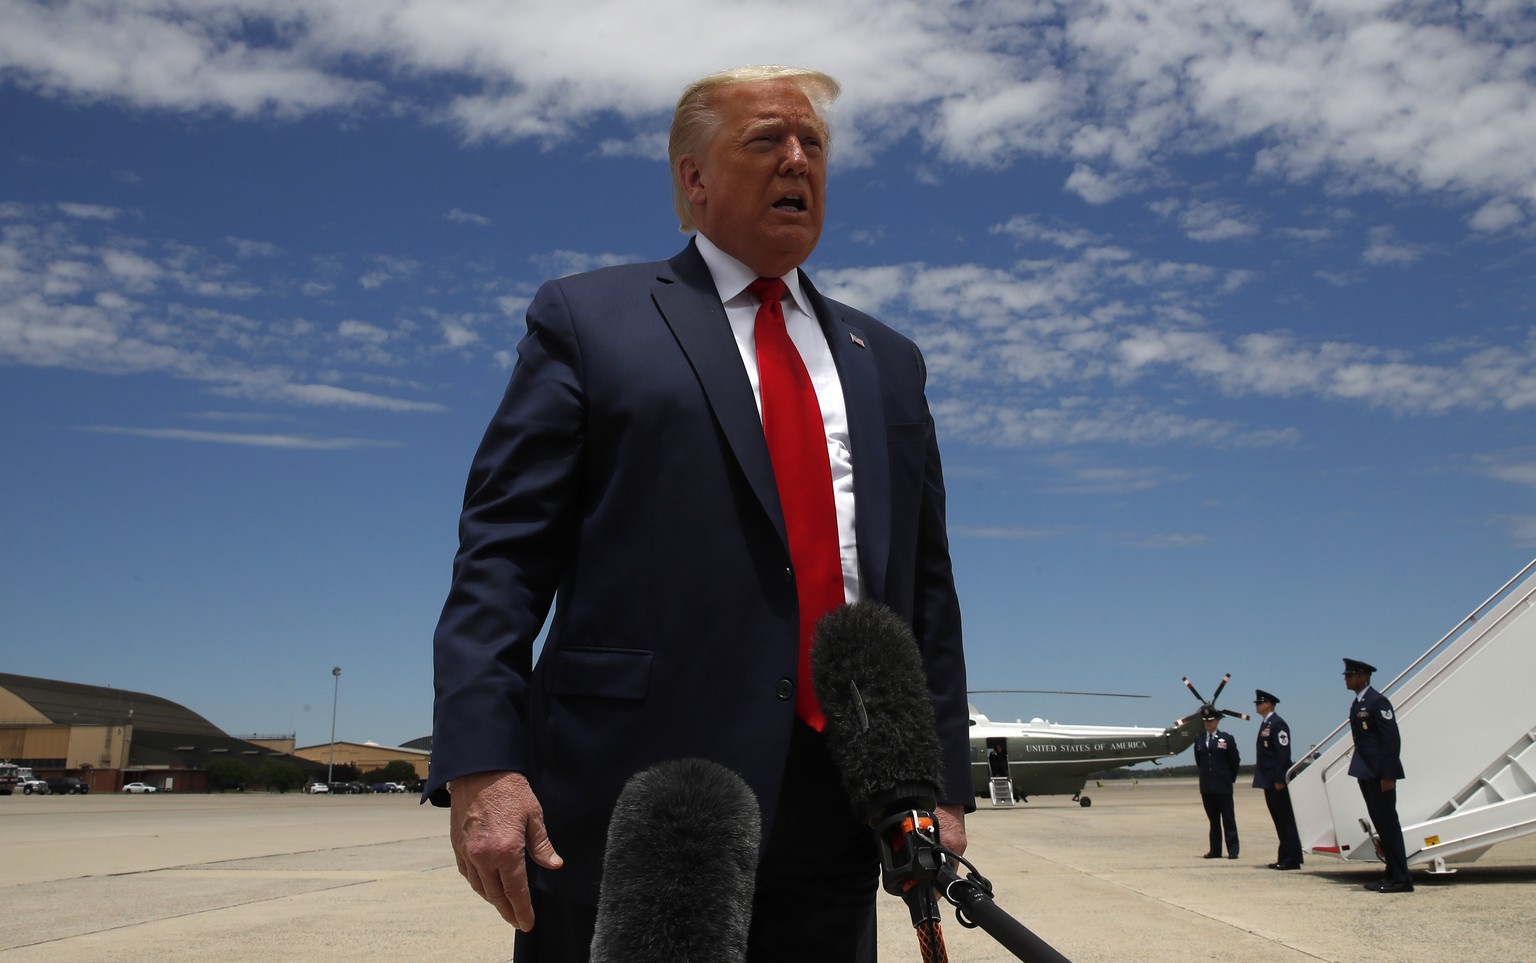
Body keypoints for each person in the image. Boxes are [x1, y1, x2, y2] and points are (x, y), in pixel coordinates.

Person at [426, 64, 972, 962]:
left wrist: (937, 783)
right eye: (766, 140)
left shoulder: (889, 361)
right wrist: (482, 763)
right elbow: (501, 557)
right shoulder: (592, 319)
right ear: (694, 178)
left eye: (814, 145)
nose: (798, 160)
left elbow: (926, 594)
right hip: (632, 803)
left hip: (835, 816)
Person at [1344, 658, 1412, 893]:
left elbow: (1391, 740)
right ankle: (1391, 875)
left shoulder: (1377, 702)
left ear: (1364, 677)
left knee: (1389, 826)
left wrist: (1388, 775)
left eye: (1350, 674)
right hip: (1366, 772)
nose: (1346, 678)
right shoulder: (1358, 704)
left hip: (1380, 774)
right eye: (1346, 675)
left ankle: (1402, 879)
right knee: (1381, 826)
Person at [1252, 688, 1303, 869]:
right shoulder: (1266, 724)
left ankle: (1290, 859)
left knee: (1285, 819)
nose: (1257, 706)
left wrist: (1281, 778)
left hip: (1277, 780)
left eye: (1259, 703)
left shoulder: (1277, 724)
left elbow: (1283, 753)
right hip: (1268, 779)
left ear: (1268, 704)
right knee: (1279, 820)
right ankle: (1287, 857)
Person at [1193, 705, 1240, 859]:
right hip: (1207, 787)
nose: (1208, 723)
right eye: (1205, 721)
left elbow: (1234, 761)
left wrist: (1229, 778)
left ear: (1217, 721)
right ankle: (1215, 850)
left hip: (1223, 785)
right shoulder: (1199, 739)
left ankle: (1233, 850)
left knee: (1228, 818)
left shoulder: (1227, 738)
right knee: (1213, 821)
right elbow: (1200, 761)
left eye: (1211, 720)